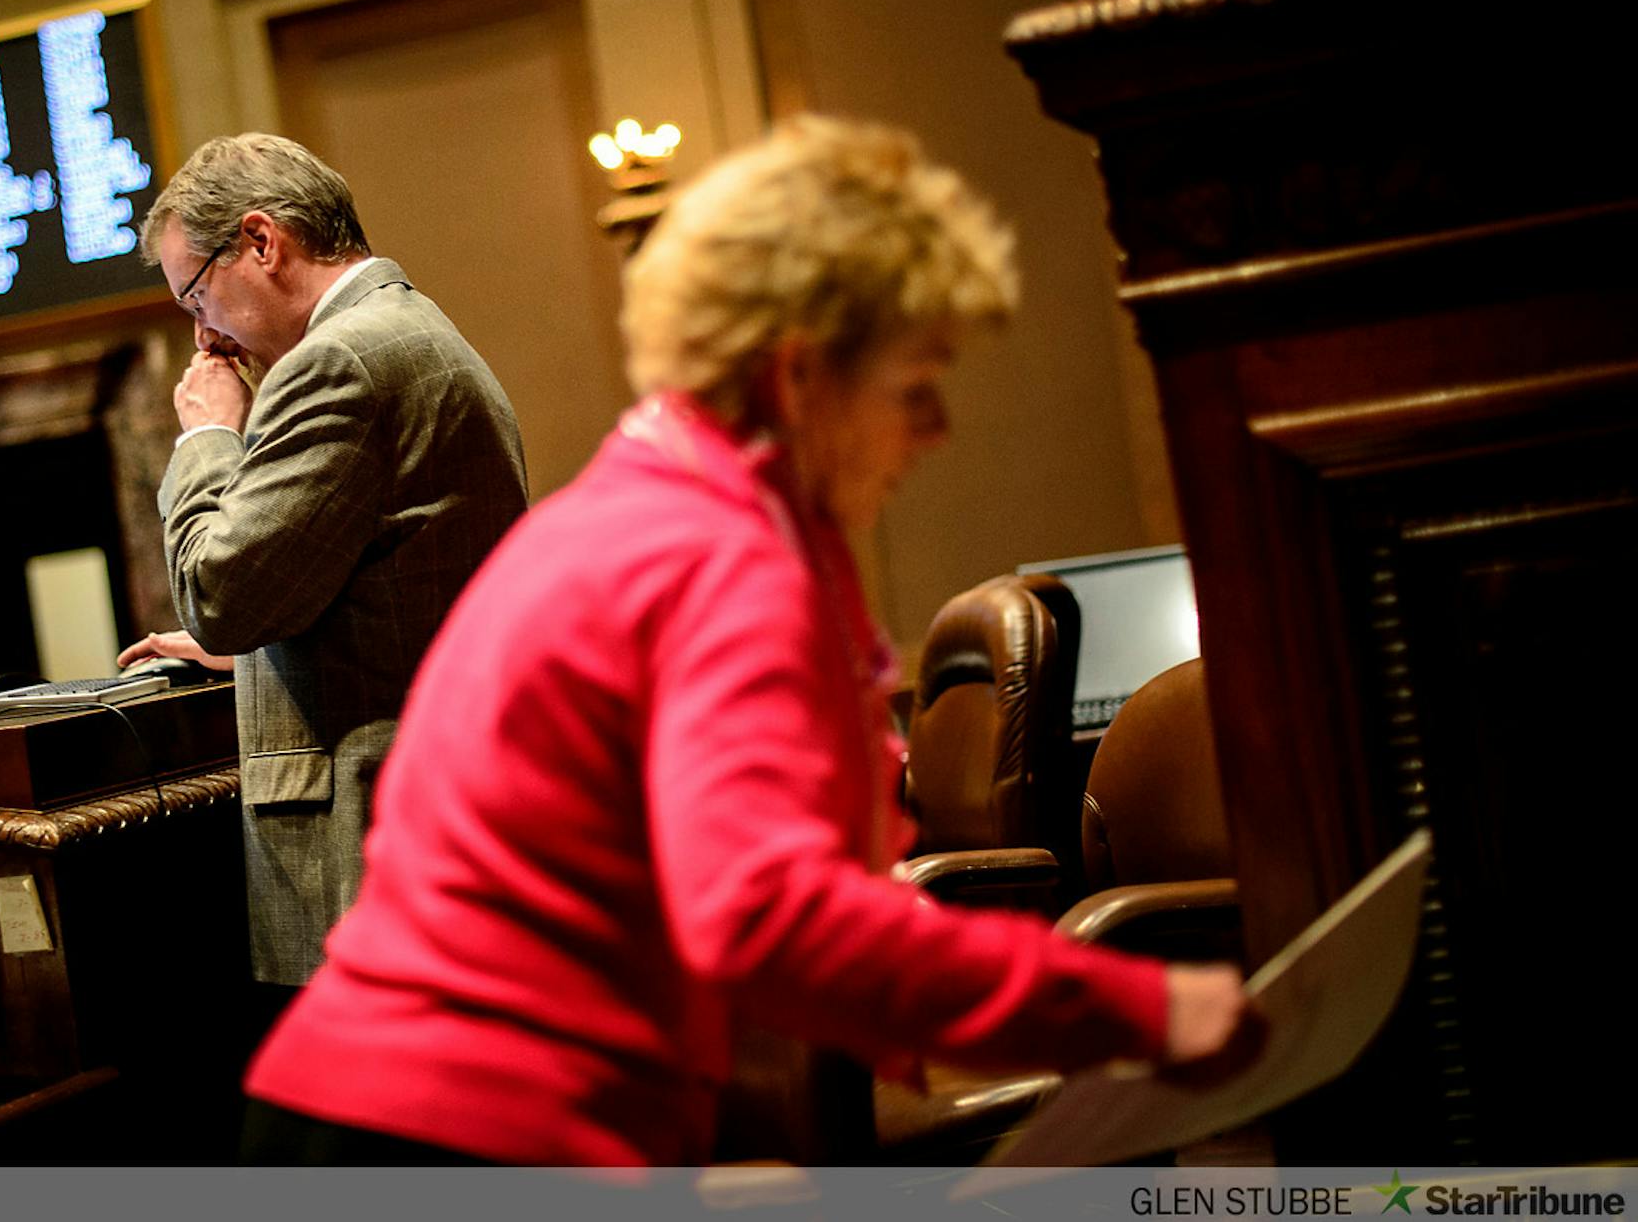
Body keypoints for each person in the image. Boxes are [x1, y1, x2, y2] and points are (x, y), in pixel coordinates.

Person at [240, 117, 1259, 1165]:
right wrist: (1144, 1012)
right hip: (454, 1135)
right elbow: (772, 919)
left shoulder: (649, 505)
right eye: (915, 382)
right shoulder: (718, 558)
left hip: (383, 1110)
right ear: (801, 373)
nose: (937, 426)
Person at [120, 132, 528, 988]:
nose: (204, 338)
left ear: (262, 243)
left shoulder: (338, 361)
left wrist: (207, 436)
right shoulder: (412, 328)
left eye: (196, 297)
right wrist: (259, 653)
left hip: (378, 843)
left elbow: (217, 593)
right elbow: (393, 581)